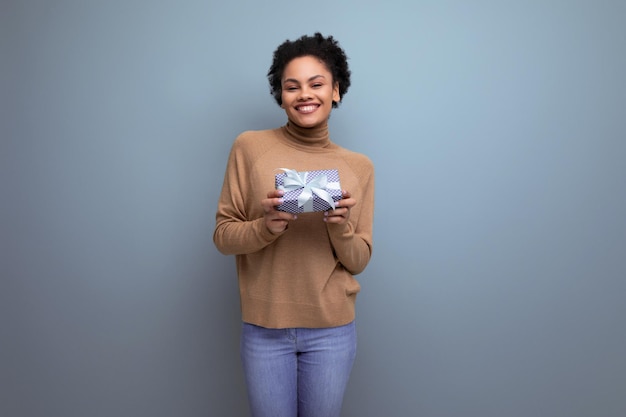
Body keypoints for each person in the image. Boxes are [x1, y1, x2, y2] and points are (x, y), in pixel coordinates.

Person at [213, 32, 375, 417]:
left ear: (335, 91)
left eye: (316, 84)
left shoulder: (359, 167)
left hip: (332, 330)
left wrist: (340, 229)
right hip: (264, 328)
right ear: (281, 95)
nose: (305, 94)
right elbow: (222, 235)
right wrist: (265, 227)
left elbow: (359, 259)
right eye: (292, 86)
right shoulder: (249, 147)